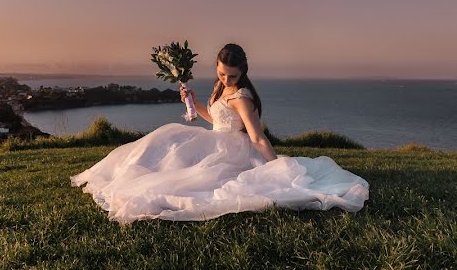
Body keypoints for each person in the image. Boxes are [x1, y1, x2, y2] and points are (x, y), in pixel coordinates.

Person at [70, 43, 369, 223]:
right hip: (215, 140)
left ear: (244, 71)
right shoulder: (221, 87)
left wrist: (276, 165)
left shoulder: (242, 97)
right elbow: (213, 117)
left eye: (232, 75)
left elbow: (256, 137)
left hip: (234, 149)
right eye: (221, 72)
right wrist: (193, 101)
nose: (226, 78)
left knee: (192, 178)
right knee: (167, 142)